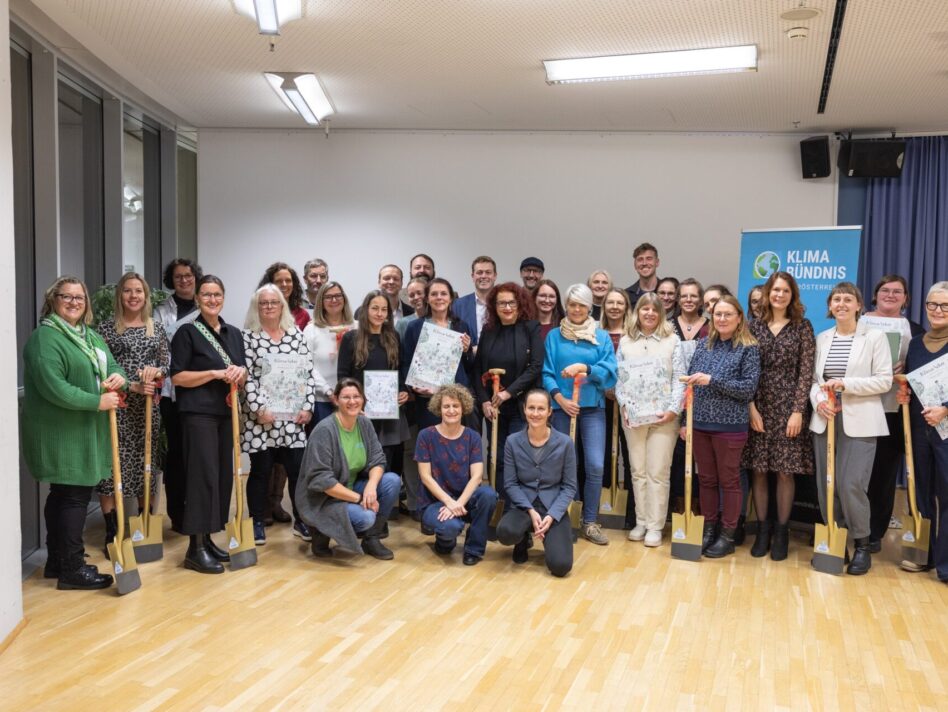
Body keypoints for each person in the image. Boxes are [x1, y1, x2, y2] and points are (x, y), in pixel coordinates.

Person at [22, 276, 126, 590]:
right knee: (72, 498)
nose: (73, 302)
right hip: (60, 434)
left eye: (79, 297)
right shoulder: (45, 338)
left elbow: (114, 366)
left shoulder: (89, 337)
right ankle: (72, 568)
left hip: (84, 431)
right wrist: (98, 401)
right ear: (52, 300)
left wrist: (118, 379)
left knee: (64, 496)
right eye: (66, 297)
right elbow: (55, 388)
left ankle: (57, 562)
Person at [809, 282, 892, 575]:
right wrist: (819, 401)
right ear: (830, 306)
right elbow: (814, 381)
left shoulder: (875, 337)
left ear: (858, 305)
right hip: (826, 419)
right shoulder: (822, 338)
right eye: (836, 299)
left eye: (848, 299)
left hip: (860, 420)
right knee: (826, 487)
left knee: (850, 485)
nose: (841, 304)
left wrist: (847, 385)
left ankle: (862, 544)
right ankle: (836, 540)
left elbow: (884, 380)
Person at [170, 275, 248, 574]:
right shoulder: (187, 333)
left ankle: (209, 537)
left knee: (221, 479)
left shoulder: (233, 334)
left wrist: (239, 375)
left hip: (226, 414)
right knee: (202, 478)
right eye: (206, 295)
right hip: (198, 414)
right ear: (198, 299)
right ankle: (195, 547)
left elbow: (242, 373)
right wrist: (215, 374)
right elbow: (177, 377)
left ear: (223, 298)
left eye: (217, 294)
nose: (212, 299)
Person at [742, 272, 815, 561]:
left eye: (785, 291)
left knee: (785, 472)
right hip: (758, 407)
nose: (779, 295)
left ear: (792, 295)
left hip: (789, 410)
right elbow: (745, 369)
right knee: (759, 470)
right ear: (768, 293)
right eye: (775, 290)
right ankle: (763, 531)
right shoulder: (753, 327)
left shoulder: (802, 327)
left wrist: (798, 411)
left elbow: (806, 373)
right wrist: (750, 407)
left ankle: (782, 533)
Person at [95, 272, 169, 554]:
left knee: (144, 466)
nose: (133, 296)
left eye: (139, 291)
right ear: (120, 295)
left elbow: (166, 364)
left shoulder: (156, 329)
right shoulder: (106, 329)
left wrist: (156, 373)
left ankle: (142, 525)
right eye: (128, 291)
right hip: (117, 408)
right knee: (111, 467)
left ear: (146, 296)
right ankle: (112, 528)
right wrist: (131, 384)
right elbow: (101, 368)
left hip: (147, 411)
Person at [543, 283, 618, 545]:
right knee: (565, 465)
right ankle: (565, 518)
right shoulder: (554, 336)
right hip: (562, 410)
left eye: (582, 305)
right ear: (566, 305)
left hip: (592, 410)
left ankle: (589, 521)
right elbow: (547, 373)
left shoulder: (602, 336)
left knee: (595, 465)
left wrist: (585, 368)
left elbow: (610, 372)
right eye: (572, 304)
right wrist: (559, 399)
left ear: (589, 307)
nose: (576, 309)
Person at [686, 295, 760, 558]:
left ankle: (728, 535)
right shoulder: (703, 344)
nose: (722, 319)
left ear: (739, 317)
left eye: (728, 314)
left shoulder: (748, 347)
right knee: (706, 480)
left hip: (730, 426)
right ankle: (709, 528)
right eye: (718, 314)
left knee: (729, 481)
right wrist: (686, 421)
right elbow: (692, 385)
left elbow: (748, 388)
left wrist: (712, 380)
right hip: (700, 423)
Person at [242, 284, 316, 546]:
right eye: (264, 303)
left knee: (297, 471)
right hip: (260, 420)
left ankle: (303, 521)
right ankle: (257, 522)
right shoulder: (248, 337)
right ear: (256, 306)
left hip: (292, 419)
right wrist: (259, 409)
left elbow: (308, 374)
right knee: (260, 471)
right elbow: (247, 377)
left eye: (274, 302)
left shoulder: (295, 335)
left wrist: (307, 407)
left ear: (282, 306)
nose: (269, 307)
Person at [296, 379, 400, 559]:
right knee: (365, 517)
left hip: (352, 487)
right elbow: (322, 481)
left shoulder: (364, 424)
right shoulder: (325, 430)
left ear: (363, 400)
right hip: (323, 498)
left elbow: (377, 458)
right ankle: (321, 532)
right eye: (346, 397)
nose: (352, 401)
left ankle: (371, 539)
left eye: (356, 396)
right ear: (336, 400)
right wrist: (360, 499)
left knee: (392, 481)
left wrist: (371, 487)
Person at [863, 274, 924, 552]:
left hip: (894, 411)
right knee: (856, 472)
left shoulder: (916, 329)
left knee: (884, 475)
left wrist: (906, 372)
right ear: (875, 295)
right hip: (859, 404)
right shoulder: (858, 322)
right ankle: (854, 526)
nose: (890, 294)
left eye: (897, 291)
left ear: (906, 298)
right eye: (885, 290)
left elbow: (925, 368)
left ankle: (875, 532)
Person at [618, 294, 686, 546]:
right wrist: (624, 405)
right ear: (637, 312)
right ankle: (641, 522)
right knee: (637, 471)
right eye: (644, 309)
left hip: (664, 418)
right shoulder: (626, 342)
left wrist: (672, 410)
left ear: (661, 313)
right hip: (634, 417)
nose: (649, 313)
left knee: (657, 472)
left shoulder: (672, 341)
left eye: (654, 309)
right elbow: (620, 378)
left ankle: (656, 526)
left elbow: (679, 377)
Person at [472, 282, 543, 502]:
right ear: (494, 306)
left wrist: (508, 393)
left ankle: (518, 506)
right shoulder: (489, 330)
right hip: (494, 407)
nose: (507, 307)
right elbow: (477, 369)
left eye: (511, 302)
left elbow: (535, 366)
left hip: (521, 405)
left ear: (520, 304)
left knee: (517, 455)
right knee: (497, 455)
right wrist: (484, 401)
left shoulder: (530, 328)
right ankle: (499, 503)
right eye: (501, 303)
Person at [497, 389, 577, 577]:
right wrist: (530, 511)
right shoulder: (512, 441)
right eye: (531, 408)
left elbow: (569, 487)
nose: (535, 413)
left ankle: (549, 537)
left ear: (549, 412)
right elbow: (510, 484)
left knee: (561, 566)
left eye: (541, 408)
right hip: (524, 505)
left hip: (552, 506)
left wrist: (552, 515)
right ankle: (523, 538)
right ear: (524, 410)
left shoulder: (565, 443)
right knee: (505, 532)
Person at [898, 281, 948, 580]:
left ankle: (945, 564)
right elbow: (914, 383)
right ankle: (922, 553)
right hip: (919, 428)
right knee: (920, 493)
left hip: (946, 431)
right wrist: (905, 394)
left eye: (945, 306)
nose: (938, 311)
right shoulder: (916, 343)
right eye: (933, 305)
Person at [416, 385, 497, 565]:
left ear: (463, 408)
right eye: (446, 406)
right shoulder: (425, 436)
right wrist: (449, 502)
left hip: (463, 499)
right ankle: (444, 541)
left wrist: (458, 503)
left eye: (456, 406)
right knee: (451, 527)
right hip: (434, 501)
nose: (451, 410)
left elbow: (477, 476)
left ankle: (473, 549)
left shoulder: (473, 437)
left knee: (489, 495)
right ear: (439, 408)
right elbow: (425, 477)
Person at [154, 257, 202, 531]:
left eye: (188, 275)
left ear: (195, 277)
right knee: (176, 456)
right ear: (171, 281)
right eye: (178, 277)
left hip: (201, 392)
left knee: (198, 455)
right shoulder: (162, 311)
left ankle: (199, 513)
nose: (184, 280)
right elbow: (160, 347)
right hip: (173, 393)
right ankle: (178, 514)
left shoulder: (206, 305)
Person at [338, 290, 411, 470]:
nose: (379, 313)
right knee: (363, 460)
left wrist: (403, 391)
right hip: (361, 410)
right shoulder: (351, 338)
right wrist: (352, 402)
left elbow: (400, 369)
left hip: (390, 410)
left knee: (391, 461)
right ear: (365, 310)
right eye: (375, 308)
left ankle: (389, 496)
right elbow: (343, 375)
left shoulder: (393, 337)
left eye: (384, 309)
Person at [402, 278, 474, 429]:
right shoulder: (415, 327)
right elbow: (406, 361)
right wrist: (412, 386)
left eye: (443, 293)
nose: (439, 297)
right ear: (427, 298)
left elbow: (469, 366)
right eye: (434, 294)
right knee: (432, 444)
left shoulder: (461, 326)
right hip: (428, 398)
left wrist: (467, 351)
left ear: (451, 298)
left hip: (456, 397)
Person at [669, 278, 709, 514]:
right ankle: (677, 509)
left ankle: (698, 509)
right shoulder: (668, 326)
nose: (688, 300)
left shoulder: (711, 327)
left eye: (693, 295)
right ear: (678, 299)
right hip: (673, 398)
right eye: (684, 295)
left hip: (702, 399)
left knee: (699, 457)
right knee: (675, 456)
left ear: (701, 299)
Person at [600, 288, 635, 528]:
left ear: (626, 307)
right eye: (610, 302)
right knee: (602, 455)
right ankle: (601, 508)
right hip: (601, 400)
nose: (614, 307)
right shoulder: (596, 332)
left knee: (630, 454)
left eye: (619, 303)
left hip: (629, 403)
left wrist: (621, 392)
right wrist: (605, 388)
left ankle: (631, 512)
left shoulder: (634, 334)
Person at [304, 281, 356, 428]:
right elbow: (307, 366)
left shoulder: (357, 327)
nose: (334, 300)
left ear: (344, 298)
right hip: (322, 401)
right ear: (321, 301)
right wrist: (328, 391)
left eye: (338, 295)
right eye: (328, 297)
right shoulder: (311, 330)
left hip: (353, 401)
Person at [453, 256, 497, 345]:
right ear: (473, 276)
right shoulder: (457, 305)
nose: (484, 276)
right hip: (468, 357)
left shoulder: (505, 304)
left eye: (488, 272)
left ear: (495, 276)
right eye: (479, 273)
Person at [259, 262, 309, 330]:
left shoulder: (303, 315)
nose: (284, 284)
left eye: (288, 280)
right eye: (279, 281)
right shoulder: (261, 312)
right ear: (270, 284)